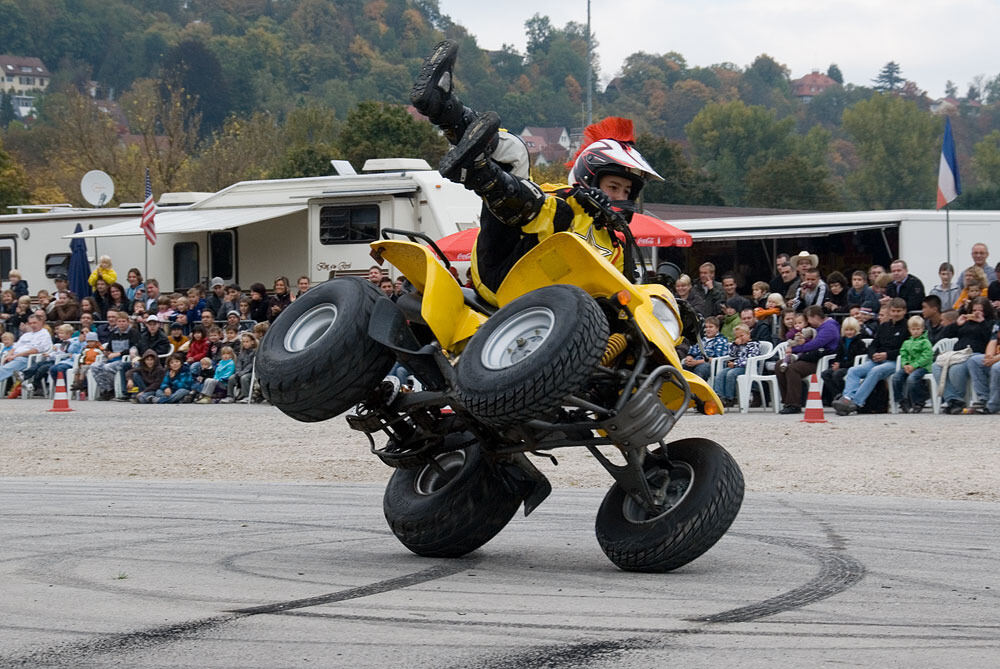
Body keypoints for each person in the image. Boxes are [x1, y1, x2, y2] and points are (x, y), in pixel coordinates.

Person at [412, 40, 664, 305]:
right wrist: (582, 201)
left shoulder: (620, 249)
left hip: (559, 310)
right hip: (504, 271)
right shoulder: (569, 200)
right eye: (613, 187)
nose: (620, 196)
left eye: (626, 191)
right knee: (516, 152)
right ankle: (442, 107)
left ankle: (470, 158)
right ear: (589, 178)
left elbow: (629, 294)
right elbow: (541, 206)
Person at [833, 298, 909, 416]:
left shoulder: (907, 327)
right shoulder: (884, 326)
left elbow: (906, 349)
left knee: (875, 371)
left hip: (894, 361)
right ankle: (847, 398)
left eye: (899, 311)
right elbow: (874, 344)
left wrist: (887, 355)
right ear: (889, 311)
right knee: (854, 370)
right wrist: (873, 354)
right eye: (893, 311)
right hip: (877, 360)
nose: (896, 314)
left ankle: (856, 403)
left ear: (904, 311)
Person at [933, 296, 996, 414]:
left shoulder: (990, 323)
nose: (976, 313)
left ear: (986, 311)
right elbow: (941, 336)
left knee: (956, 369)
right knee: (936, 366)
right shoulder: (965, 322)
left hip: (975, 354)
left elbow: (990, 339)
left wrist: (982, 323)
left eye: (980, 310)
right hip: (957, 354)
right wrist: (956, 324)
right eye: (973, 310)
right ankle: (954, 399)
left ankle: (957, 400)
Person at [775, 305, 839, 414]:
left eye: (808, 319)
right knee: (779, 364)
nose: (808, 322)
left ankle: (794, 404)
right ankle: (787, 401)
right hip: (808, 357)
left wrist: (795, 348)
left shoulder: (829, 327)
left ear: (814, 317)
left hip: (819, 360)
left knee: (792, 368)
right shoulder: (818, 328)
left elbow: (815, 344)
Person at [890, 315, 934, 413]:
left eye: (918, 329)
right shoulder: (906, 342)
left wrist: (914, 365)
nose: (915, 331)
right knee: (896, 377)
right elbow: (903, 354)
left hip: (922, 367)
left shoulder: (925, 342)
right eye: (913, 329)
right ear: (909, 329)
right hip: (908, 367)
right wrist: (905, 364)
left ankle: (918, 402)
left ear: (922, 329)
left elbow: (927, 356)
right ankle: (901, 400)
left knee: (912, 379)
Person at [0, 314, 53, 395]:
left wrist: (15, 356)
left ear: (41, 322)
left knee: (4, 369)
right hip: (15, 357)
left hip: (29, 359)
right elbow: (14, 347)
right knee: (4, 364)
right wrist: (8, 355)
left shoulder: (44, 334)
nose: (32, 325)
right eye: (30, 323)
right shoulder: (26, 335)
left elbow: (35, 350)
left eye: (35, 323)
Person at [821, 317, 867, 405]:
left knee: (837, 374)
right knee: (825, 374)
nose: (849, 332)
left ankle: (845, 395)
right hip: (841, 365)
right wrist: (836, 363)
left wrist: (841, 365)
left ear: (856, 330)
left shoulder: (860, 343)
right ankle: (838, 395)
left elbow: (856, 360)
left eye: (851, 330)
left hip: (851, 367)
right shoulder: (841, 341)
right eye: (847, 330)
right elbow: (838, 355)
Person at [712, 324, 760, 408]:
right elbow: (731, 354)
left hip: (747, 368)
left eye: (742, 335)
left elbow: (750, 359)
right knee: (721, 373)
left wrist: (735, 364)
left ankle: (730, 398)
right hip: (736, 366)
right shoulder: (738, 344)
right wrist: (735, 345)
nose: (740, 338)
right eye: (737, 336)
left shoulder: (753, 344)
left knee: (731, 374)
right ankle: (719, 396)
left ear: (748, 334)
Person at [680, 316, 728, 381]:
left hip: (710, 365)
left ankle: (696, 390)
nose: (708, 329)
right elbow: (692, 351)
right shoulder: (702, 340)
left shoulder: (721, 340)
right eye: (706, 327)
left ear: (717, 328)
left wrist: (696, 362)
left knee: (701, 368)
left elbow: (715, 359)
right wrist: (689, 357)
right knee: (680, 368)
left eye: (711, 327)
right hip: (695, 362)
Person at [967, 327, 1000, 414]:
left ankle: (993, 405)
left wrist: (995, 359)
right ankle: (984, 399)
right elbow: (993, 340)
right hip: (996, 356)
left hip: (998, 359)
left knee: (997, 367)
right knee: (974, 361)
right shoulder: (997, 324)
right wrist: (989, 356)